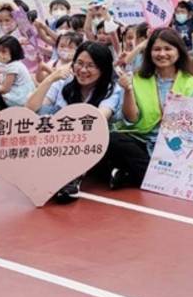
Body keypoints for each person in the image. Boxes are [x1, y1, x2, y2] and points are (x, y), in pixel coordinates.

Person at [102, 28, 193, 189]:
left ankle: (132, 174)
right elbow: (131, 118)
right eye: (157, 49)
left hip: (174, 146)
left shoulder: (192, 83)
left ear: (179, 51)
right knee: (112, 139)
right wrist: (128, 91)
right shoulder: (137, 78)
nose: (162, 54)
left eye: (168, 49)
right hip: (140, 141)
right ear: (149, 53)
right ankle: (150, 175)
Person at [25, 41, 123, 203]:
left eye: (91, 66)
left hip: (88, 144)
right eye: (79, 63)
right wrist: (50, 78)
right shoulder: (64, 82)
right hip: (57, 141)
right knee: (41, 119)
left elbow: (98, 119)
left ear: (103, 69)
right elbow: (31, 108)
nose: (83, 70)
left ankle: (72, 178)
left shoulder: (112, 89)